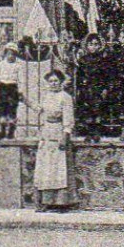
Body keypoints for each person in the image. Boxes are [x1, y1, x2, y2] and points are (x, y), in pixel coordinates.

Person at [34, 70, 75, 211]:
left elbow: (68, 118)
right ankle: (47, 201)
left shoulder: (66, 97)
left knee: (59, 167)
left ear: (61, 82)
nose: (53, 84)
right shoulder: (46, 96)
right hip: (47, 132)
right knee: (46, 167)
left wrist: (65, 135)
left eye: (56, 81)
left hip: (59, 132)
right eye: (50, 81)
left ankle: (61, 202)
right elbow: (40, 111)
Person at [0, 43, 25, 140]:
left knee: (12, 107)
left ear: (16, 55)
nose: (10, 56)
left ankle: (11, 131)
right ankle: (2, 130)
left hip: (13, 87)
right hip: (3, 87)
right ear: (5, 54)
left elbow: (21, 79)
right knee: (3, 107)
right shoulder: (1, 64)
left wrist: (20, 90)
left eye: (13, 54)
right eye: (8, 54)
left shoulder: (18, 66)